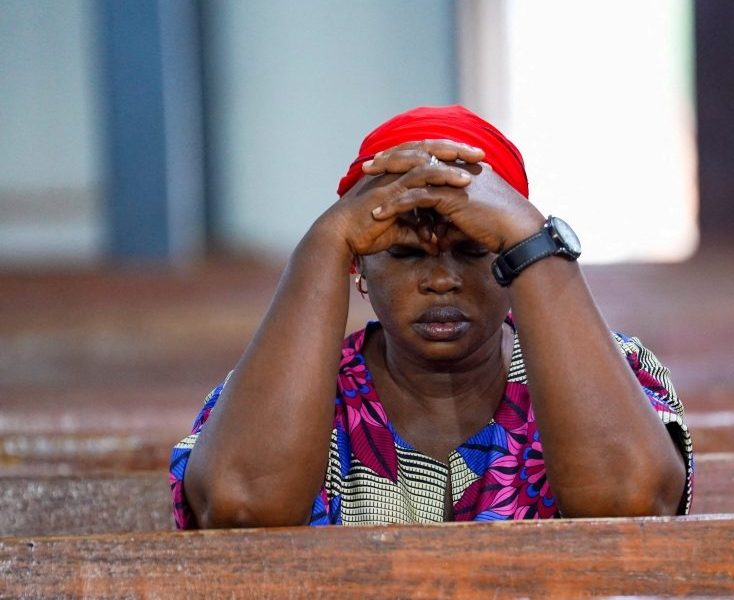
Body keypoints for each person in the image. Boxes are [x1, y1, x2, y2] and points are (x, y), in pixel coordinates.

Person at [170, 105, 693, 527]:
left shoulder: (616, 366)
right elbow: (240, 505)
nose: (441, 279)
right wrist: (326, 241)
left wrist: (533, 237)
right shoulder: (284, 385)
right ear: (359, 270)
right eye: (405, 254)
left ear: (513, 265)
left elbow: (634, 503)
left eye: (472, 252)